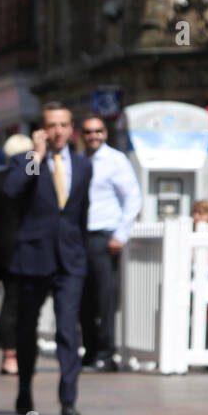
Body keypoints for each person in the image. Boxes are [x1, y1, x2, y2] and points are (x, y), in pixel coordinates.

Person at [5, 102, 91, 415]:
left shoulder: (83, 166)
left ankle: (68, 399)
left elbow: (80, 212)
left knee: (68, 329)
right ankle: (25, 388)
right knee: (26, 328)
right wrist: (36, 157)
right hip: (34, 257)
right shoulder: (26, 161)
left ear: (72, 129)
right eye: (51, 125)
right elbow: (13, 190)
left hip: (70, 260)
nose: (58, 131)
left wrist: (80, 250)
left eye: (64, 125)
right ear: (41, 130)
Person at [80, 116, 141, 372]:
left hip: (104, 235)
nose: (93, 135)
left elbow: (133, 198)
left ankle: (106, 352)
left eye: (98, 131)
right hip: (79, 236)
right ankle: (90, 350)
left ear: (105, 133)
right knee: (82, 298)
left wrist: (120, 234)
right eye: (88, 131)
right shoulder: (79, 160)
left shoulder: (116, 160)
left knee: (105, 297)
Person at [0, 134, 35, 375]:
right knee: (17, 302)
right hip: (29, 248)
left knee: (12, 299)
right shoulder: (34, 177)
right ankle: (11, 353)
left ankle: (11, 352)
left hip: (4, 249)